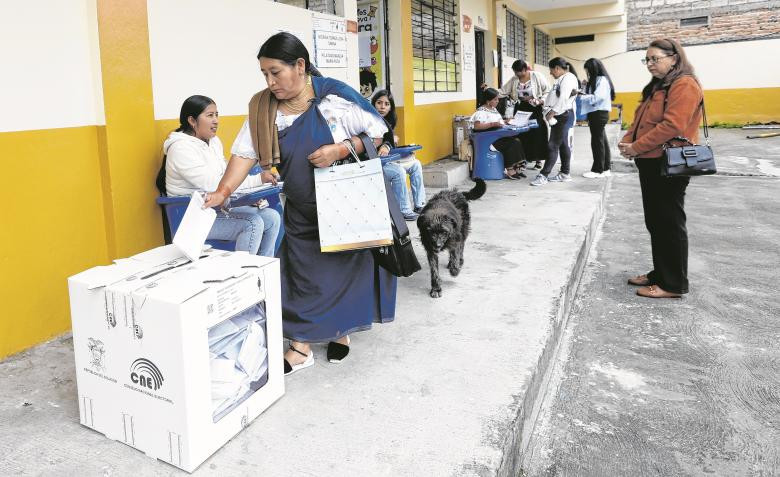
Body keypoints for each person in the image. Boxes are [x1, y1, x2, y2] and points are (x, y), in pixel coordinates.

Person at [202, 32, 395, 374]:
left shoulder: (335, 99)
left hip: (345, 209)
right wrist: (222, 191)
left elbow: (377, 132)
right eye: (264, 74)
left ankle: (341, 334)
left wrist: (339, 149)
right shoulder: (264, 110)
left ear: (300, 66)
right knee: (301, 276)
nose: (270, 81)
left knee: (344, 275)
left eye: (275, 72)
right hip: (302, 211)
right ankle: (301, 346)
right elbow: (244, 154)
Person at [618, 38, 703, 299]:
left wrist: (637, 147)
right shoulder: (658, 86)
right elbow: (641, 118)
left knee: (669, 222)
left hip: (668, 162)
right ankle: (661, 273)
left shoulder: (684, 84)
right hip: (651, 161)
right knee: (656, 221)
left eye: (656, 58)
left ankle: (673, 284)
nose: (650, 64)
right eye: (647, 59)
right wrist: (628, 141)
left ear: (674, 57)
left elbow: (672, 126)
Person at [162, 95, 281, 257]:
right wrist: (257, 179)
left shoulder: (214, 142)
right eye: (210, 115)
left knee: (272, 217)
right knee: (252, 224)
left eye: (217, 114)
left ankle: (264, 271)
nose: (216, 120)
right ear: (192, 120)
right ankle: (245, 274)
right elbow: (215, 184)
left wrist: (250, 196)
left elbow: (227, 176)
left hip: (217, 209)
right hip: (192, 217)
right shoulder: (180, 149)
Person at [371, 90, 426, 221]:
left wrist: (388, 144)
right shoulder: (368, 120)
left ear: (391, 107)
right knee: (399, 171)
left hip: (387, 161)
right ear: (373, 104)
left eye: (386, 104)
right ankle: (403, 210)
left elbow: (388, 142)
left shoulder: (388, 122)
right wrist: (383, 144)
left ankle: (420, 205)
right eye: (379, 103)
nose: (382, 107)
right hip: (372, 163)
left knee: (416, 164)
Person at [530, 57, 579, 186]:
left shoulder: (568, 78)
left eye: (551, 70)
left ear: (557, 68)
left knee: (552, 145)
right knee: (562, 144)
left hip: (563, 114)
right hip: (560, 114)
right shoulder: (562, 79)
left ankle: (543, 175)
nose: (551, 73)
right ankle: (565, 174)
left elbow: (563, 98)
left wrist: (553, 111)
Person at [501, 60, 551, 170]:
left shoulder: (537, 76)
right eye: (515, 72)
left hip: (535, 107)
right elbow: (503, 91)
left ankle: (539, 159)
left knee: (537, 132)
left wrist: (540, 100)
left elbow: (547, 91)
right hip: (520, 107)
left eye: (519, 72)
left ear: (525, 69)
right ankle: (523, 159)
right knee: (521, 133)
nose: (517, 74)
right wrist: (489, 90)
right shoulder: (514, 79)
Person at [470, 88, 526, 180]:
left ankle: (517, 168)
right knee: (511, 144)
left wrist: (506, 121)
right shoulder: (481, 112)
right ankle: (510, 169)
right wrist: (493, 124)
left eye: (497, 99)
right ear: (488, 101)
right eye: (495, 99)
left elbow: (498, 122)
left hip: (496, 137)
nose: (497, 101)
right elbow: (477, 126)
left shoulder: (493, 109)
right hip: (488, 141)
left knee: (517, 140)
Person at [579, 58, 616, 178]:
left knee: (596, 141)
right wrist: (585, 86)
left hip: (598, 113)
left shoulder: (601, 80)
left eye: (588, 71)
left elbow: (597, 97)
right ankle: (605, 169)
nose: (588, 74)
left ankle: (597, 170)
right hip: (597, 113)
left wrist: (582, 96)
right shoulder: (598, 80)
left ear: (593, 69)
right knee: (601, 141)